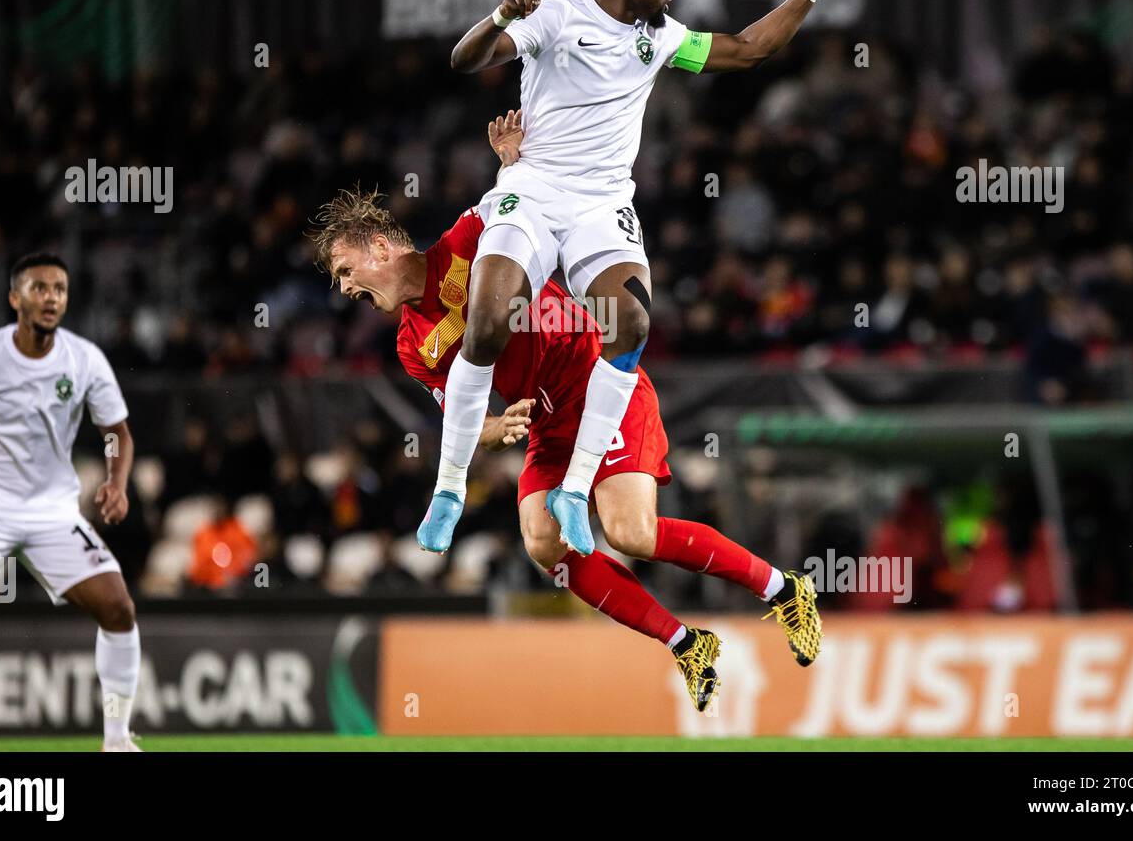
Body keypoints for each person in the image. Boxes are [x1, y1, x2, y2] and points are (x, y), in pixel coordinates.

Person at [306, 119, 822, 713]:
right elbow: (463, 417)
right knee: (542, 543)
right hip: (548, 423)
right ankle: (686, 642)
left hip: (598, 384)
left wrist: (513, 163)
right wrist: (497, 430)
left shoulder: (464, 243)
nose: (343, 289)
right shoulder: (408, 346)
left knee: (631, 532)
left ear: (380, 248)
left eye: (346, 271)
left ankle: (785, 589)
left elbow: (517, 200)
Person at [431, 0, 875, 558]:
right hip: (532, 190)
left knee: (632, 324)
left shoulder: (660, 38)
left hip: (601, 205)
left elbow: (749, 48)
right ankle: (448, 488)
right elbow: (464, 59)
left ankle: (575, 488)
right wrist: (501, 15)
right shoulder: (558, 17)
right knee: (488, 322)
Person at [0, 253, 142, 751]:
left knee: (119, 608)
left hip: (53, 513)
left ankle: (118, 740)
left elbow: (115, 431)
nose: (52, 297)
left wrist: (116, 480)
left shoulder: (84, 360)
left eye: (59, 289)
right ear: (15, 298)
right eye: (39, 288)